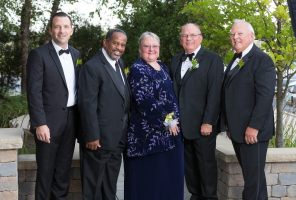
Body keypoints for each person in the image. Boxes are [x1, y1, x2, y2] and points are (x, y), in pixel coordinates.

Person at [26, 12, 80, 199]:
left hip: (71, 121)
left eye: (65, 26)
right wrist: (39, 123)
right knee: (46, 173)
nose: (61, 30)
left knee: (63, 172)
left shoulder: (76, 54)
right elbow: (33, 92)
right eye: (57, 26)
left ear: (71, 30)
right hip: (48, 123)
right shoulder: (38, 54)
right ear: (50, 30)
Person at [124, 32, 184, 200]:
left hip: (170, 134)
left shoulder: (163, 66)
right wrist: (169, 121)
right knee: (149, 183)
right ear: (139, 49)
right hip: (147, 136)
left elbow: (170, 97)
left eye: (155, 46)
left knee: (168, 181)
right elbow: (145, 101)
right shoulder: (138, 69)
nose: (151, 49)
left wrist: (175, 119)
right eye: (146, 46)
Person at [221, 19, 276, 199]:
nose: (235, 37)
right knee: (254, 179)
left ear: (251, 36)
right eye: (232, 34)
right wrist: (229, 125)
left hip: (253, 133)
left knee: (253, 182)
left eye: (240, 33)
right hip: (238, 132)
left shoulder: (262, 60)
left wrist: (254, 127)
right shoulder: (237, 59)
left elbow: (265, 97)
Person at [169, 23, 224, 200]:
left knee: (206, 166)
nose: (188, 38)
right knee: (190, 166)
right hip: (182, 126)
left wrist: (209, 121)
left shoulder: (212, 59)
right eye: (185, 35)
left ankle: (209, 197)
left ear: (201, 37)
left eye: (192, 35)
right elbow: (173, 91)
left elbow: (215, 92)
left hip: (203, 125)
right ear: (180, 39)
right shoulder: (176, 59)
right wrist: (172, 119)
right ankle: (195, 195)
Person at [78, 28, 130, 200]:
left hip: (117, 138)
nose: (119, 47)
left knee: (109, 185)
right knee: (93, 187)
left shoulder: (119, 64)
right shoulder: (92, 67)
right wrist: (92, 136)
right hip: (98, 140)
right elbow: (87, 104)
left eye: (122, 44)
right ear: (105, 42)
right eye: (116, 43)